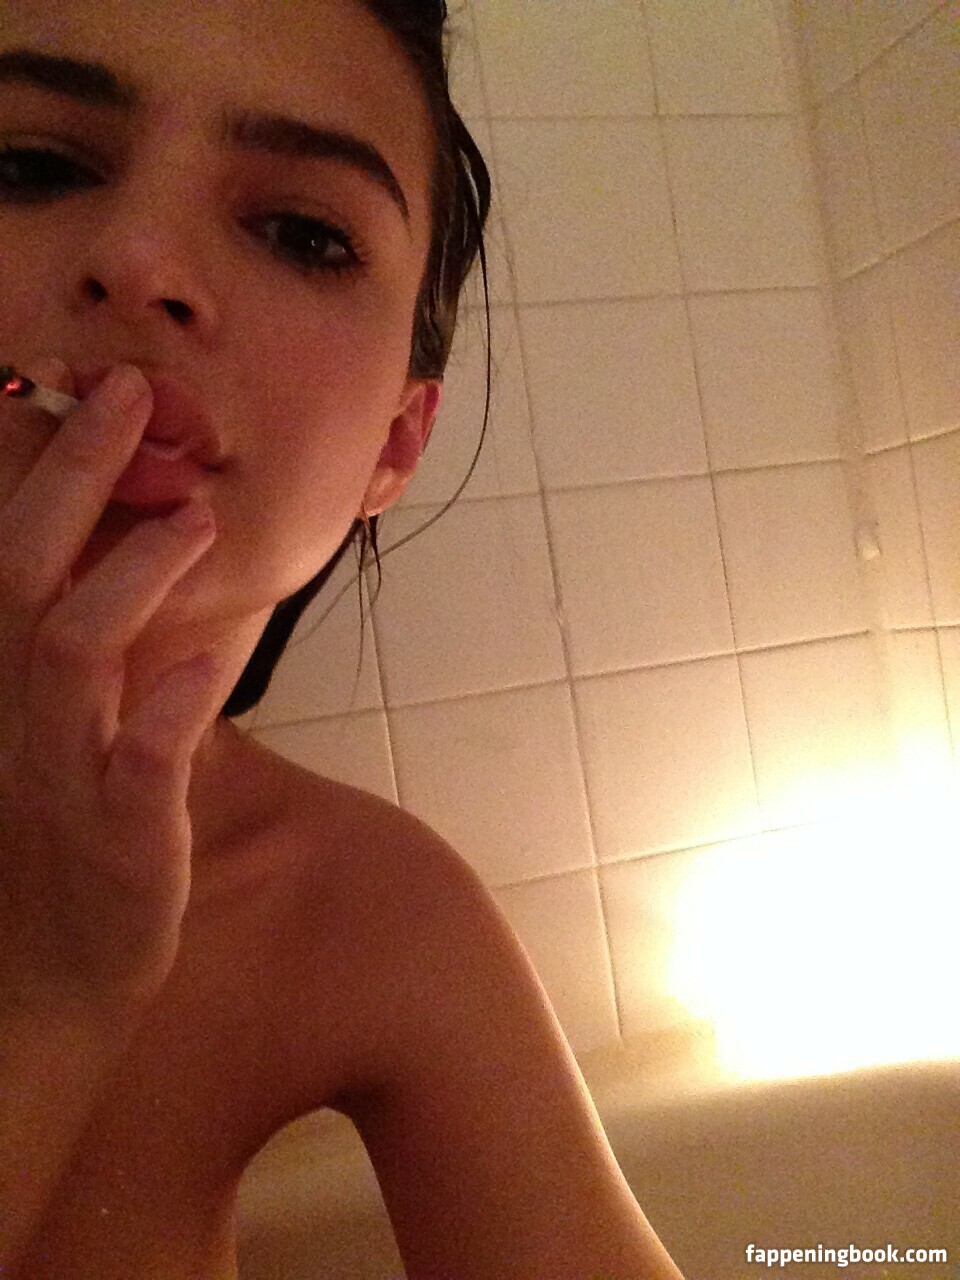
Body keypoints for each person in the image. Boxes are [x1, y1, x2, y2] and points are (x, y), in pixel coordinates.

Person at [0, 2, 686, 1277]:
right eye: (30, 164)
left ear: (395, 445)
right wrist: (47, 995)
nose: (140, 260)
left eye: (304, 234)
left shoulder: (364, 906)